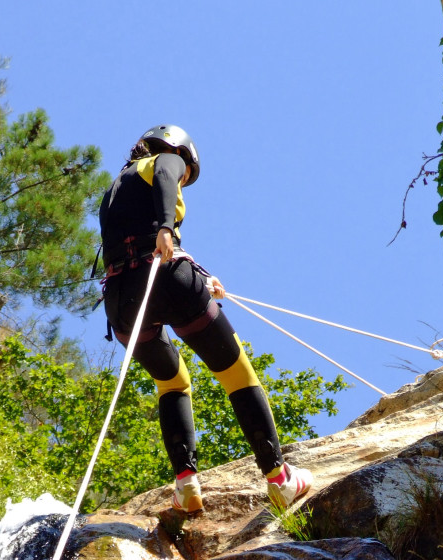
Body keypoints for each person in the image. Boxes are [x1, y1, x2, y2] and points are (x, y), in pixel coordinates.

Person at [99, 124, 312, 515]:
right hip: (165, 277)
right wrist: (167, 226)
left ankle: (186, 483)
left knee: (173, 381)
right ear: (177, 150)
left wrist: (201, 271)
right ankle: (279, 479)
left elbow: (134, 242)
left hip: (121, 303)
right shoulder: (163, 160)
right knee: (236, 372)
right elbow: (165, 181)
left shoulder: (113, 191)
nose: (181, 175)